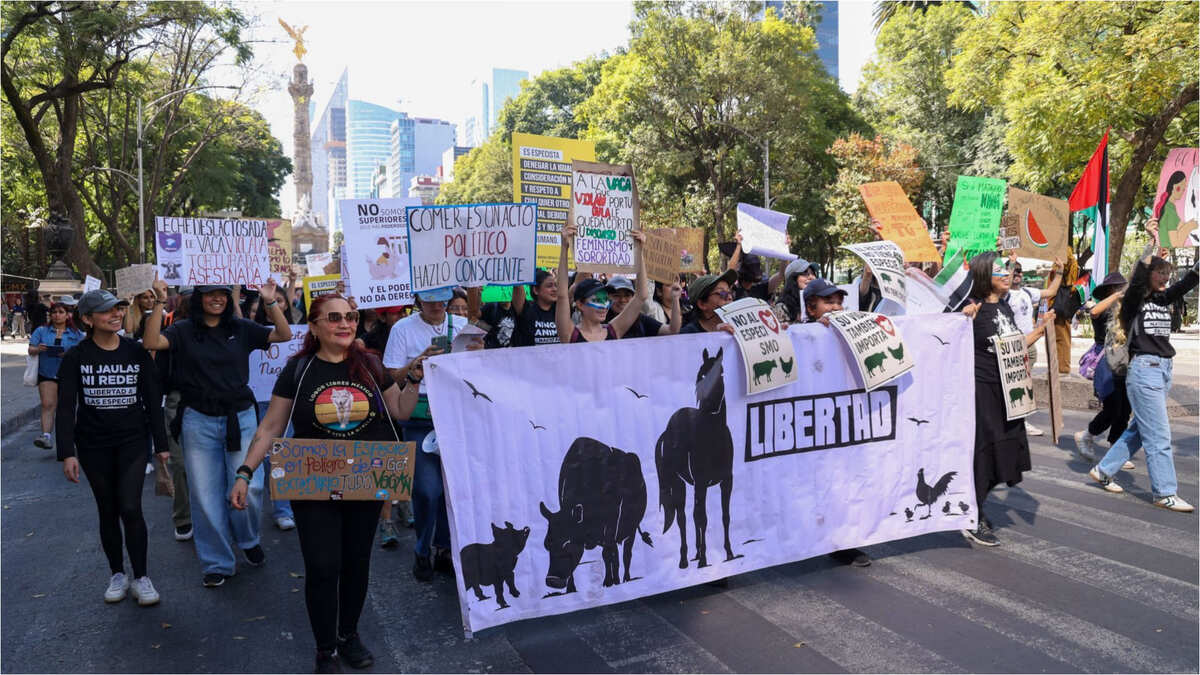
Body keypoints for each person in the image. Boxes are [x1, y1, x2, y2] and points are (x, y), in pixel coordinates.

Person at [232, 294, 421, 673]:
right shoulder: (298, 369)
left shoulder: (370, 365)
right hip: (312, 480)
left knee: (356, 563)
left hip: (365, 480)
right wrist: (245, 471)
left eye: (350, 316)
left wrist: (414, 377)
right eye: (334, 317)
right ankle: (325, 649)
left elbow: (400, 410)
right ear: (315, 326)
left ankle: (348, 636)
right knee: (322, 566)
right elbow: (271, 426)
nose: (345, 324)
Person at [141, 279, 292, 587]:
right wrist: (159, 301)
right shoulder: (182, 330)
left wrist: (269, 301)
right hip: (198, 419)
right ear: (199, 298)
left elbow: (284, 334)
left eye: (222, 294)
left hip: (242, 418)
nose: (217, 299)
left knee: (249, 488)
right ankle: (217, 562)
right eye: (210, 294)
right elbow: (151, 342)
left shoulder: (241, 327)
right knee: (206, 495)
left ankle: (248, 539)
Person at [57, 289, 168, 606]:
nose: (116, 314)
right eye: (107, 311)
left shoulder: (136, 353)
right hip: (93, 446)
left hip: (133, 442)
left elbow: (152, 401)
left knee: (131, 507)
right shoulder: (76, 358)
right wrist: (67, 453)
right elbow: (66, 408)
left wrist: (161, 445)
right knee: (108, 509)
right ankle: (117, 573)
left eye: (118, 309)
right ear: (88, 319)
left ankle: (142, 577)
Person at [1088, 222, 1198, 512]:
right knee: (1160, 436)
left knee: (1139, 429)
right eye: (1159, 273)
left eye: (1166, 273)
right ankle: (1164, 492)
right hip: (1144, 370)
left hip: (1163, 370)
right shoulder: (1133, 300)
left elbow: (1190, 280)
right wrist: (1152, 240)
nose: (1164, 278)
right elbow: (1137, 278)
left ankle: (1103, 470)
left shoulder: (1164, 298)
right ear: (1148, 274)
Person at [960, 252, 1053, 546]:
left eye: (1009, 268)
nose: (1008, 273)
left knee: (1008, 449)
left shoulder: (1004, 306)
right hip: (981, 389)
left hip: (1008, 390)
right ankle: (970, 515)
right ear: (985, 274)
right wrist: (961, 320)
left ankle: (975, 503)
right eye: (1001, 269)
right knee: (986, 451)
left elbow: (1013, 345)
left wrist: (1040, 329)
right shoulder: (970, 309)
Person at [382, 288, 467, 580]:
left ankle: (444, 548)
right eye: (430, 298)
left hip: (455, 416)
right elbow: (390, 375)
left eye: (442, 297)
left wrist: (478, 354)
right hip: (418, 418)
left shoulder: (460, 325)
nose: (437, 304)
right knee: (427, 491)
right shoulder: (403, 329)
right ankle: (422, 549)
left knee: (452, 490)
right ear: (419, 299)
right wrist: (417, 363)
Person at [800, 278, 871, 567]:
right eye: (829, 302)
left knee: (843, 481)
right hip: (809, 424)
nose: (837, 307)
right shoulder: (798, 333)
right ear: (811, 307)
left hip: (842, 422)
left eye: (839, 301)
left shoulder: (849, 332)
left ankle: (844, 542)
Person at [1074, 272, 1134, 464]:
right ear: (1109, 291)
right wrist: (1116, 297)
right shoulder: (1101, 310)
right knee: (1112, 408)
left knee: (1125, 410)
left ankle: (1116, 449)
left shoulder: (1126, 310)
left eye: (1122, 287)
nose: (1121, 291)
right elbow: (1093, 312)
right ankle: (1087, 435)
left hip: (1125, 363)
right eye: (1117, 288)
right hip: (1105, 363)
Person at [555, 225, 649, 343]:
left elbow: (641, 296)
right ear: (580, 304)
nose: (604, 305)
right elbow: (562, 295)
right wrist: (564, 248)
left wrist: (639, 250)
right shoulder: (570, 334)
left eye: (606, 299)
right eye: (597, 300)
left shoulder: (614, 330)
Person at [1006, 259, 1063, 437]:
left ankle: (1020, 420)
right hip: (1013, 347)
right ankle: (1019, 421)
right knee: (1015, 385)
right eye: (1013, 271)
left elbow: (1052, 291)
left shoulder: (1028, 292)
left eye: (1019, 271)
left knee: (1024, 384)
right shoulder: (1004, 294)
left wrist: (1060, 271)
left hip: (1029, 346)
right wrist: (1010, 264)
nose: (1017, 274)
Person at [29, 302, 85, 449]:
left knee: (66, 408)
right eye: (54, 312)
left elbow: (84, 351)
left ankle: (69, 439)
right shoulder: (41, 331)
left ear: (68, 315)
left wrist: (69, 354)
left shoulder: (76, 333)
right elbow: (30, 349)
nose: (57, 315)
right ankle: (46, 436)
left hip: (69, 374)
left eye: (61, 312)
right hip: (47, 373)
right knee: (48, 404)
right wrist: (38, 349)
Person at [606, 276, 682, 338]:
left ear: (633, 298)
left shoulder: (641, 319)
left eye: (627, 295)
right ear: (607, 298)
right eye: (616, 296)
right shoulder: (600, 321)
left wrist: (675, 298)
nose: (622, 300)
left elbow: (672, 330)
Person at [679, 270, 739, 335]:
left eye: (730, 292)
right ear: (702, 304)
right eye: (723, 293)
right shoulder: (686, 335)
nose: (729, 297)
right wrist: (716, 338)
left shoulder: (738, 327)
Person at [510, 269, 559, 346]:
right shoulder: (527, 310)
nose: (555, 289)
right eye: (549, 286)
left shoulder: (560, 311)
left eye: (556, 286)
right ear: (536, 290)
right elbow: (518, 286)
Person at [1154, 171, 1198, 248]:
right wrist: (1188, 227)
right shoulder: (1169, 209)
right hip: (1167, 250)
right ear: (1174, 187)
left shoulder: (1170, 206)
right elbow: (1175, 243)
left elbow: (1180, 225)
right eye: (1181, 189)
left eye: (1184, 189)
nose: (1182, 192)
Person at [777, 258, 818, 322]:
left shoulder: (820, 300)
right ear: (793, 279)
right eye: (805, 274)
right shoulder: (782, 307)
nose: (811, 277)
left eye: (813, 273)